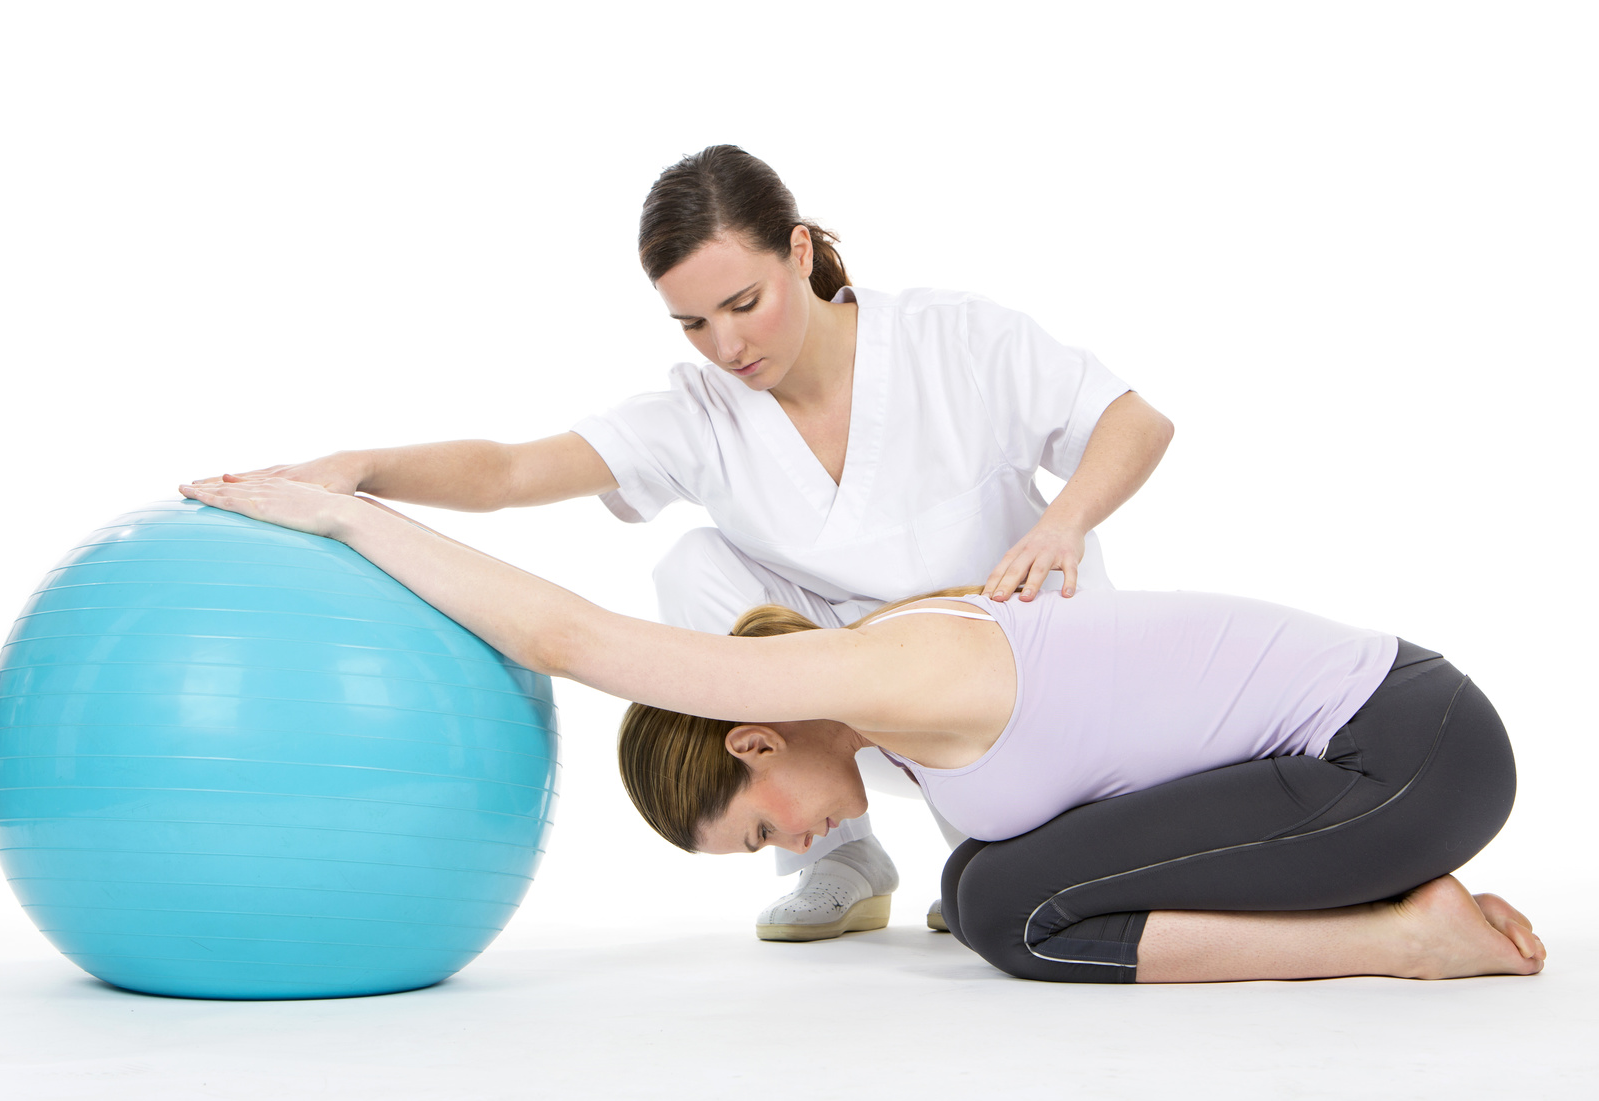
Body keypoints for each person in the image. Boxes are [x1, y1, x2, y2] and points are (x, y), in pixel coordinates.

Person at [196, 144, 1175, 940]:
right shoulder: (701, 413)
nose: (724, 346)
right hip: (851, 712)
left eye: (742, 305)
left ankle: (988, 847)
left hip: (1017, 694)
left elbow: (1133, 422)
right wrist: (356, 470)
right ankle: (834, 852)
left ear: (799, 250)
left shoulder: (950, 340)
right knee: (695, 566)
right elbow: (507, 471)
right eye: (691, 323)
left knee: (1002, 890)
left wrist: (1063, 521)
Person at [176, 476, 1545, 984]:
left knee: (1014, 913)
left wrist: (358, 516)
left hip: (1406, 754)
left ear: (752, 738)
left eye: (757, 829)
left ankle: (1409, 942)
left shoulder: (886, 670)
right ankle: (1395, 915)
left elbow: (571, 642)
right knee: (975, 881)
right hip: (1371, 747)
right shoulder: (899, 701)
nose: (801, 842)